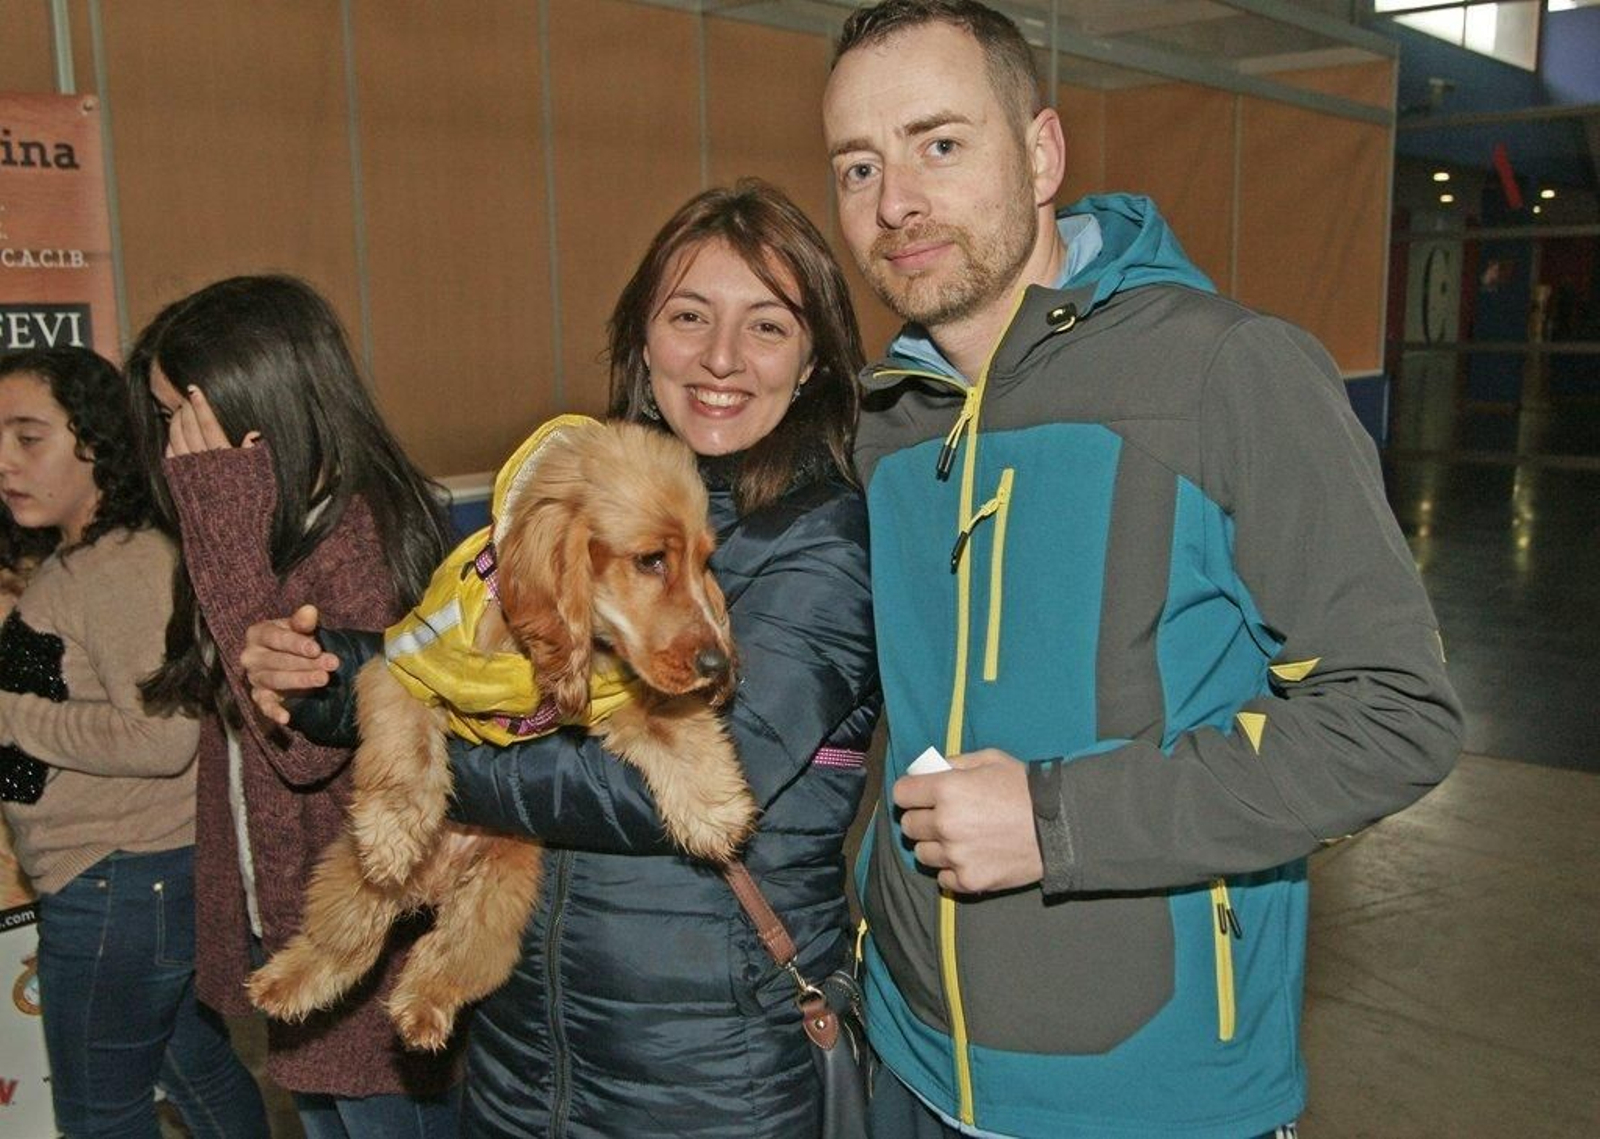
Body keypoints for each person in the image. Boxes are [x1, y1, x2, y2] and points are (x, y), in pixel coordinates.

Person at [821, 3, 1465, 1137]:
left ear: (1041, 153)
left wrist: (1057, 818)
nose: (895, 203)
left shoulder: (1225, 370)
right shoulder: (889, 423)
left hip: (1147, 1095)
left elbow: (1395, 715)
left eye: (940, 143)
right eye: (858, 164)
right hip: (911, 1065)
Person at [241, 180, 880, 1138]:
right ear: (642, 337)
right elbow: (481, 662)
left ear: (817, 355)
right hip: (523, 1051)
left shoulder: (823, 539)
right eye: (689, 316)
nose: (719, 358)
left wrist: (424, 767)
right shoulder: (582, 496)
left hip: (710, 1071)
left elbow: (669, 785)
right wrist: (331, 675)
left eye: (767, 327)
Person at [123, 276, 460, 1138]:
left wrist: (222, 531)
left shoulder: (361, 532)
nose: (173, 456)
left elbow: (303, 744)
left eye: (181, 421)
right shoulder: (261, 528)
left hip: (378, 967)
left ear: (256, 415)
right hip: (308, 948)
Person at [0, 347, 270, 1139]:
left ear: (97, 440)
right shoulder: (90, 558)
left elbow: (162, 737)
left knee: (100, 1113)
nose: (6, 463)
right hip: (136, 880)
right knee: (196, 1071)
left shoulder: (119, 566)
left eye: (29, 437)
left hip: (117, 882)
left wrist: (12, 715)